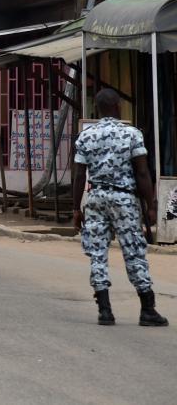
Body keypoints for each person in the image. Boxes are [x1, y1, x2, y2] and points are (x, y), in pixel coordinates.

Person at [74, 88, 168, 327]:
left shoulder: (86, 136)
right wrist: (151, 205)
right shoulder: (131, 134)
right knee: (134, 251)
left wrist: (77, 209)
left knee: (97, 253)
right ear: (117, 107)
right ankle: (147, 309)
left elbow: (78, 175)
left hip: (95, 198)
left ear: (97, 109)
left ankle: (104, 311)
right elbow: (142, 172)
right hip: (124, 200)